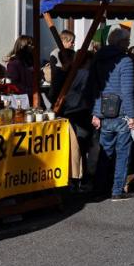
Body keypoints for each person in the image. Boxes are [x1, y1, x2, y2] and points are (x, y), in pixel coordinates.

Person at [90, 28, 134, 201]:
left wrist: (96, 113)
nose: (129, 44)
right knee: (123, 153)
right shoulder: (125, 60)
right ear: (121, 43)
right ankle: (117, 190)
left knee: (105, 152)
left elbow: (94, 88)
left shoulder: (98, 58)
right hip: (122, 112)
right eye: (127, 41)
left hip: (103, 111)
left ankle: (99, 187)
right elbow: (127, 91)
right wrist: (132, 115)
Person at [54, 47, 94, 189]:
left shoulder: (65, 73)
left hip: (67, 112)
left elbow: (54, 93)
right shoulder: (84, 74)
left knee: (74, 146)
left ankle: (74, 178)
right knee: (81, 146)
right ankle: (80, 178)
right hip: (80, 112)